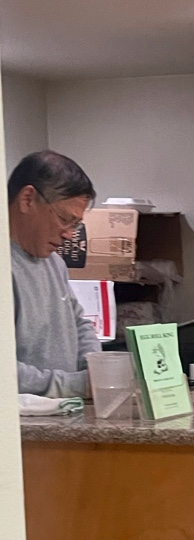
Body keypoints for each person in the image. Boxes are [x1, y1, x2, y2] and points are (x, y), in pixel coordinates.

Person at [8, 150, 101, 397]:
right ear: (27, 199)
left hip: (64, 412)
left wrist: (96, 369)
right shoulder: (6, 267)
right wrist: (74, 385)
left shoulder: (54, 263)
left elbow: (79, 322)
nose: (69, 234)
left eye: (75, 224)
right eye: (64, 219)